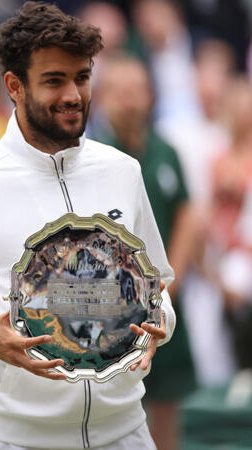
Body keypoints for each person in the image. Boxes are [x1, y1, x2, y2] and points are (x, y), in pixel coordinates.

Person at [0, 3, 176, 449]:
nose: (73, 95)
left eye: (81, 77)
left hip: (127, 434)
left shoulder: (123, 170)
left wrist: (159, 322)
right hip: (13, 439)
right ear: (14, 86)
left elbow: (158, 284)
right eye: (54, 80)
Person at [92, 54, 197, 450]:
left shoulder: (165, 151)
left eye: (137, 91)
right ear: (103, 97)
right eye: (121, 92)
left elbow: (187, 212)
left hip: (165, 295)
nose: (131, 101)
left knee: (169, 396)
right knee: (113, 399)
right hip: (114, 306)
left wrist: (175, 277)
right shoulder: (95, 157)